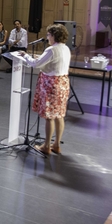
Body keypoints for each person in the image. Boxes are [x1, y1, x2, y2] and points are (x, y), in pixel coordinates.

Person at [18, 24, 71, 155]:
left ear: (54, 36)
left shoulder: (51, 50)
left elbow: (36, 64)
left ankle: (46, 146)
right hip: (63, 83)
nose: (47, 37)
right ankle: (56, 144)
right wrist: (39, 58)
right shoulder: (65, 48)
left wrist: (25, 56)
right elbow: (53, 62)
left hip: (51, 84)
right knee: (59, 115)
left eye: (48, 35)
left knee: (49, 116)